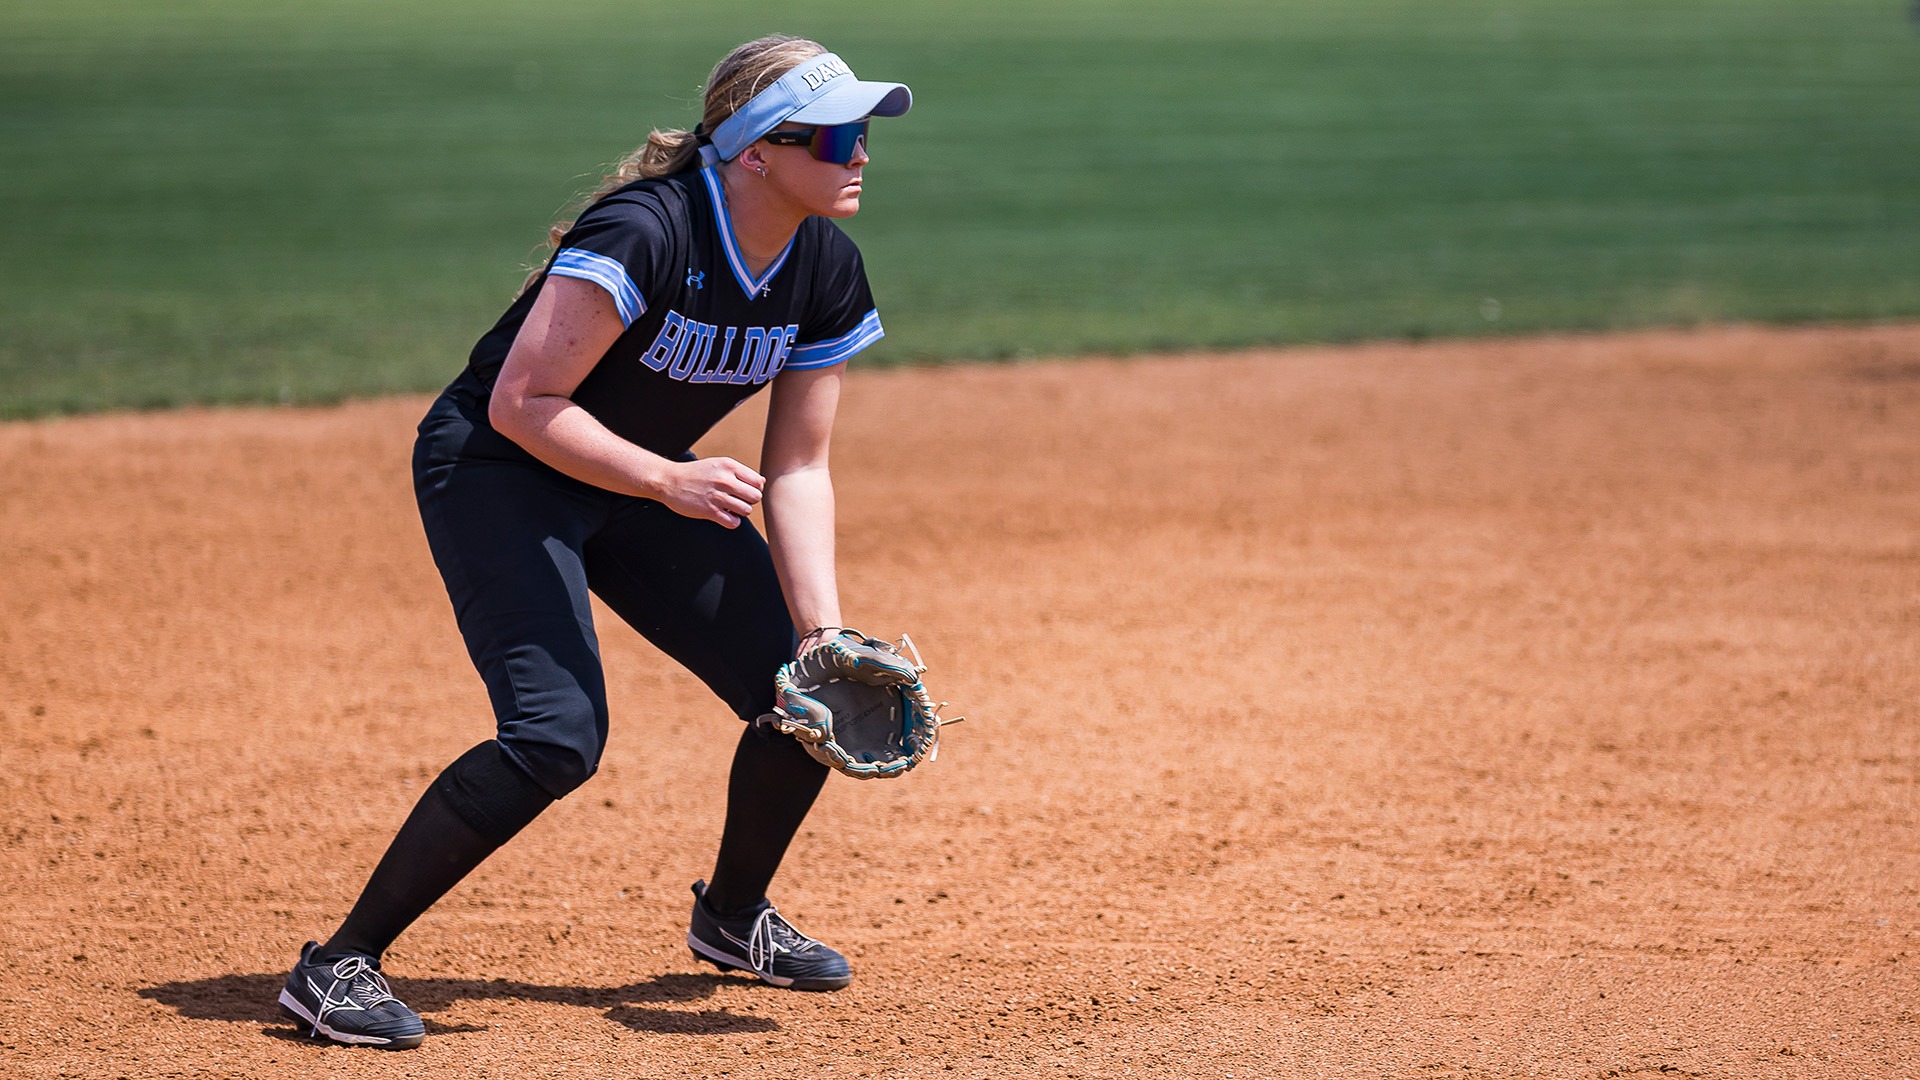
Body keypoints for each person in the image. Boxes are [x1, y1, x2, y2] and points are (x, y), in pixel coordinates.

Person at [275, 35, 913, 1050]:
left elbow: (797, 468)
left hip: (639, 475)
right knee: (555, 734)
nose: (861, 152)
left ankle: (732, 917)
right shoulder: (646, 230)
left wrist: (823, 633)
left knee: (805, 695)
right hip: (502, 470)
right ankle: (336, 964)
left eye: (866, 131)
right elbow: (526, 404)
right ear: (754, 150)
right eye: (836, 133)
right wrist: (665, 477)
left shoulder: (823, 266)